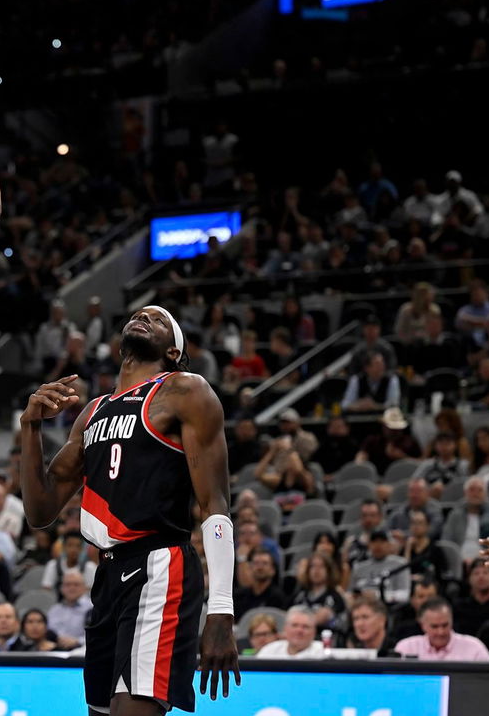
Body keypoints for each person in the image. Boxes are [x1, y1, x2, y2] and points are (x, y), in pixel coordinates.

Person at [19, 305, 240, 713]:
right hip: (107, 577)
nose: (144, 316)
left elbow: (215, 506)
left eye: (157, 319)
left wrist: (221, 611)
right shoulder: (93, 411)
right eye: (140, 313)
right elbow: (40, 511)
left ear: (174, 352)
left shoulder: (185, 390)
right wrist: (30, 427)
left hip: (160, 565)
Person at [394, 597, 489, 661]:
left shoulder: (474, 647)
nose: (441, 632)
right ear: (422, 625)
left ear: (452, 621)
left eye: (445, 625)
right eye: (434, 626)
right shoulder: (406, 648)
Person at [441, 476, 489, 562]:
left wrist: (484, 558)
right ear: (465, 493)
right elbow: (446, 540)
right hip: (457, 560)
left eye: (480, 490)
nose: (475, 494)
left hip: (486, 559)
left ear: (486, 494)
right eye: (472, 490)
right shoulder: (455, 514)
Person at [291, 551, 346, 630]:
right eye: (313, 566)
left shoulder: (334, 597)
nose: (316, 570)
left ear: (329, 571)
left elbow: (335, 622)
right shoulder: (300, 596)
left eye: (321, 566)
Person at [352, 530, 411, 604]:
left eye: (382, 542)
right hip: (361, 606)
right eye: (374, 541)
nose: (378, 545)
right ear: (369, 545)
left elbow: (405, 594)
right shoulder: (359, 567)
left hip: (389, 607)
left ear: (389, 544)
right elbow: (350, 593)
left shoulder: (400, 564)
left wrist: (377, 595)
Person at [255, 607, 325, 659]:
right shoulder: (270, 651)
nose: (299, 631)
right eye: (294, 625)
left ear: (314, 632)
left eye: (305, 627)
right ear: (285, 629)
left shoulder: (324, 653)